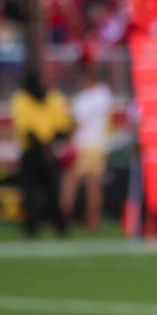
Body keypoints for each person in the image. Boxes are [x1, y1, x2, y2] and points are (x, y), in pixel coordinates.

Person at [10, 69, 72, 237]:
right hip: (39, 150)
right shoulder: (44, 98)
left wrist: (48, 145)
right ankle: (49, 224)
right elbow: (61, 125)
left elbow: (61, 125)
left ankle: (43, 225)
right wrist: (49, 145)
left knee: (41, 190)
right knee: (44, 190)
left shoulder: (25, 99)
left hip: (39, 150)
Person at [60, 66, 114, 231]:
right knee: (94, 185)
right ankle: (94, 219)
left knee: (70, 181)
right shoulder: (105, 94)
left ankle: (63, 216)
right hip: (98, 145)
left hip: (82, 145)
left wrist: (67, 140)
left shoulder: (84, 99)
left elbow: (76, 123)